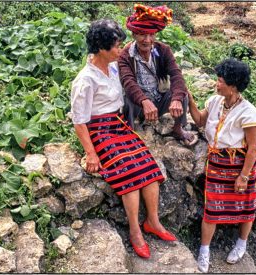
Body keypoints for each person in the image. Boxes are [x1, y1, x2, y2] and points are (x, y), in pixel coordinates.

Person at [70, 19, 176, 259]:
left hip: (119, 125)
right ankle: (135, 231)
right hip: (99, 131)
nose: (122, 49)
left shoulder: (115, 67)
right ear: (101, 49)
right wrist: (91, 153)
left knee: (148, 165)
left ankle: (153, 221)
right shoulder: (85, 80)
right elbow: (79, 120)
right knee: (128, 171)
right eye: (117, 46)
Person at [187, 58, 256, 272]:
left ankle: (241, 244)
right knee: (212, 209)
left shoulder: (249, 113)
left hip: (239, 165)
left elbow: (253, 147)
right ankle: (204, 251)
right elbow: (200, 121)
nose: (216, 84)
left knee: (246, 205)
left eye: (220, 81)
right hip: (217, 164)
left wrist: (244, 176)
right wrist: (191, 101)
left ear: (234, 86)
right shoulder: (214, 101)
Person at [118, 3, 198, 146]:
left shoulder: (163, 50)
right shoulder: (125, 55)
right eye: (142, 34)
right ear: (134, 34)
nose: (147, 40)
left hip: (159, 99)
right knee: (127, 99)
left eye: (151, 34)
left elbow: (176, 75)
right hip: (140, 105)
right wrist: (144, 100)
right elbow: (127, 81)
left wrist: (176, 99)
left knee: (182, 93)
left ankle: (177, 129)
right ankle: (130, 132)